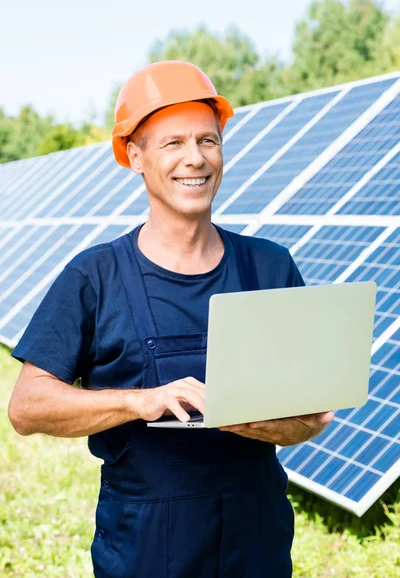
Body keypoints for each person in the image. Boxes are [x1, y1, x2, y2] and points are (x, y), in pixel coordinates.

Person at [8, 60, 334, 578]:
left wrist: (272, 424)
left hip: (257, 538)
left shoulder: (270, 265)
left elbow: (313, 416)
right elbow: (27, 407)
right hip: (146, 545)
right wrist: (144, 401)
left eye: (208, 140)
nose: (195, 159)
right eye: (173, 143)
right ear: (134, 156)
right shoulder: (95, 275)